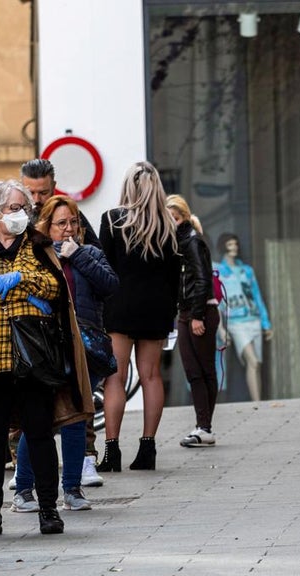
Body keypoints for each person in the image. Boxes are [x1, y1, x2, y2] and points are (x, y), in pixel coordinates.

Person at [0, 180, 93, 537]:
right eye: (13, 208)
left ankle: (49, 509)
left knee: (39, 433)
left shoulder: (37, 245)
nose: (21, 214)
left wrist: (22, 279)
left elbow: (55, 286)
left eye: (23, 208)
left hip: (34, 359)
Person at [11, 195, 118, 512]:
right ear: (46, 226)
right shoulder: (34, 255)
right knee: (40, 419)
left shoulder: (91, 253)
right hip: (46, 347)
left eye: (73, 222)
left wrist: (79, 255)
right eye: (61, 223)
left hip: (85, 348)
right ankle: (25, 490)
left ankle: (72, 489)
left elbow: (111, 285)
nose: (69, 228)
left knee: (75, 416)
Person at [98, 161, 183, 472]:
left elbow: (103, 266)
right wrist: (171, 311)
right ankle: (148, 448)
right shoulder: (168, 226)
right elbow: (175, 276)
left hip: (119, 307)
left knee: (115, 377)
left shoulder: (113, 219)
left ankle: (112, 450)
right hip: (157, 308)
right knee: (151, 376)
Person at [168, 195, 220, 447]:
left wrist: (197, 315)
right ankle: (203, 426)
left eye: (174, 218)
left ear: (183, 218)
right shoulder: (179, 243)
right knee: (193, 371)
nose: (170, 223)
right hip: (187, 312)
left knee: (203, 370)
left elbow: (202, 279)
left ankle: (205, 427)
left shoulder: (191, 241)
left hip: (199, 312)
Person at [215, 233, 272, 402]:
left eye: (235, 244)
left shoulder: (247, 271)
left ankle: (257, 401)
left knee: (256, 364)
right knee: (253, 361)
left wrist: (265, 323)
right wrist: (220, 329)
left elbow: (257, 296)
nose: (234, 248)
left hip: (253, 319)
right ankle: (257, 403)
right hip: (236, 322)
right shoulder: (219, 271)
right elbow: (217, 302)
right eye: (230, 245)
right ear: (223, 247)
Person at [20, 158, 101, 248]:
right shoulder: (12, 217)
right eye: (30, 193)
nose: (36, 200)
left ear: (53, 186)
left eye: (43, 193)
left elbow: (97, 252)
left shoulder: (69, 213)